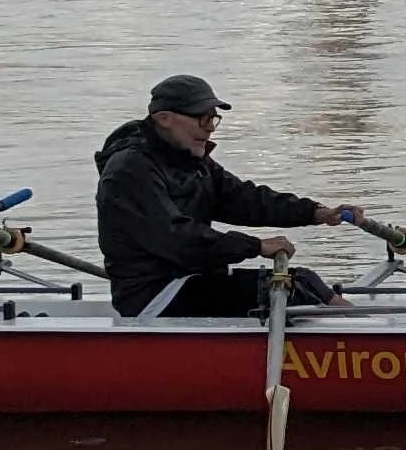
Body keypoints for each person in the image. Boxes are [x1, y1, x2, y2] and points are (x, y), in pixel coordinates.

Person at [92, 74, 361, 318]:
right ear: (165, 118)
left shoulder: (190, 161)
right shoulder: (129, 171)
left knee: (303, 279)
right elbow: (176, 238)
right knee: (294, 291)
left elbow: (245, 199)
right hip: (154, 297)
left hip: (192, 279)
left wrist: (315, 212)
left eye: (213, 119)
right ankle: (363, 348)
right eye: (203, 118)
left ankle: (365, 332)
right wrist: (255, 246)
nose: (210, 128)